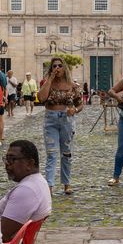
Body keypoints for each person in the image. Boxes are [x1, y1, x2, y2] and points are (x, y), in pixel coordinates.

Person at [37, 56, 84, 195]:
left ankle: (66, 183)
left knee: (66, 153)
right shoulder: (48, 83)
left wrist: (74, 110)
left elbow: (80, 104)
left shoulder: (72, 86)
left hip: (66, 120)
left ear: (65, 68)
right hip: (50, 119)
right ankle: (49, 186)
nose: (57, 68)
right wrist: (50, 79)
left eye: (60, 65)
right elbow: (41, 98)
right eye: (54, 66)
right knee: (51, 153)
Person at [0, 140, 52, 241]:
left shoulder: (27, 190)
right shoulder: (38, 182)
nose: (7, 164)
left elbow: (2, 235)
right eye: (6, 159)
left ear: (29, 163)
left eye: (12, 159)